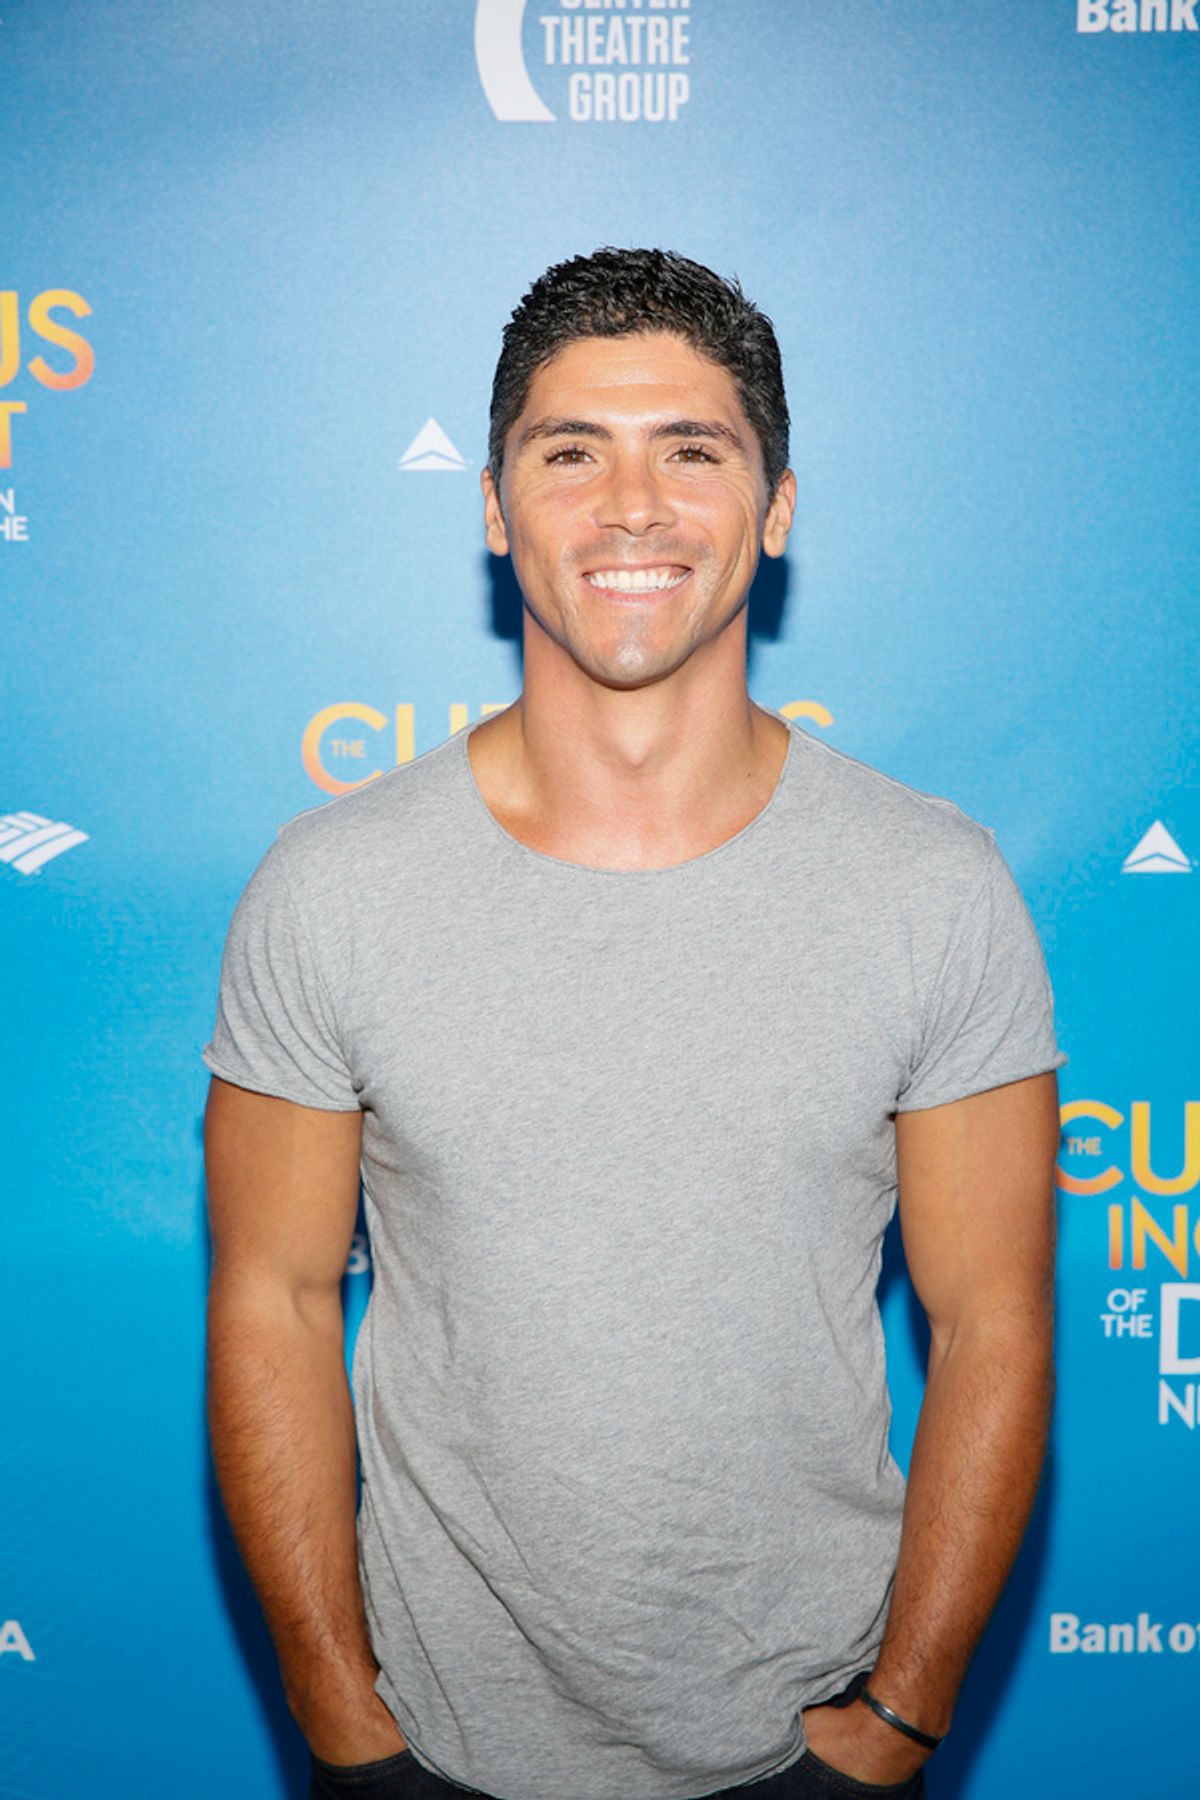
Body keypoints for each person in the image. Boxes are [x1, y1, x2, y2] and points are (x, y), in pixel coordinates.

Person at [203, 248, 1064, 1800]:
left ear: (776, 507)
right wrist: (343, 1726)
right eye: (571, 451)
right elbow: (268, 1298)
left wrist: (900, 1724)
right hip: (430, 1747)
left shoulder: (934, 886)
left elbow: (995, 1323)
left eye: (691, 449)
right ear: (492, 505)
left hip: (808, 1740)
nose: (632, 504)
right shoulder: (329, 887)